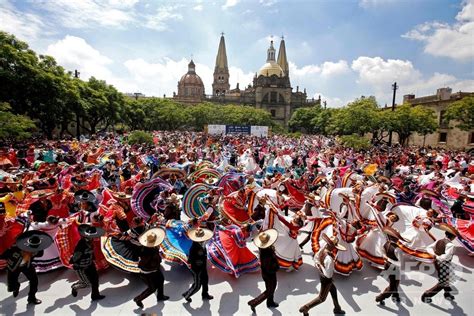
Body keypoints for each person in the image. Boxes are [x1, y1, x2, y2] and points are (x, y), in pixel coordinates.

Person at [299, 234, 346, 316]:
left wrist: (320, 267)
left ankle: (337, 307)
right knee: (321, 298)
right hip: (326, 278)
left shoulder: (322, 249)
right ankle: (306, 308)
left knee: (333, 289)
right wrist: (330, 278)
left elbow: (316, 259)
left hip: (321, 274)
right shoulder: (329, 259)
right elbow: (328, 275)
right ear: (332, 247)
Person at [1, 230, 53, 305]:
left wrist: (40, 248)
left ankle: (31, 298)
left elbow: (40, 255)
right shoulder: (15, 246)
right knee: (12, 286)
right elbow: (4, 254)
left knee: (34, 280)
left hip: (27, 265)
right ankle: (16, 286)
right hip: (14, 267)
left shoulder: (37, 249)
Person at [421, 223, 458, 303]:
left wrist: (434, 255)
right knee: (442, 282)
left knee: (445, 278)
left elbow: (428, 248)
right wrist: (437, 256)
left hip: (436, 262)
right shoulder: (451, 245)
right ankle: (426, 295)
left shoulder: (439, 240)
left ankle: (447, 293)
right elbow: (446, 257)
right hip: (443, 264)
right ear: (453, 237)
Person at [133, 227, 169, 308]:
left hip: (155, 269)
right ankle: (138, 299)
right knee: (152, 288)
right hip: (147, 272)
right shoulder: (147, 252)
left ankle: (160, 296)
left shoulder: (152, 248)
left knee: (161, 280)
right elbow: (146, 263)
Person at [70, 224, 106, 301]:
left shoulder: (91, 241)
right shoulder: (81, 244)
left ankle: (95, 295)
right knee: (86, 284)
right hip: (81, 266)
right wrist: (77, 265)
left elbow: (92, 252)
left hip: (90, 264)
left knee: (95, 280)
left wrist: (93, 259)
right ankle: (75, 287)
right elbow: (76, 256)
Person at [248, 229, 279, 312]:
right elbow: (269, 268)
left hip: (266, 273)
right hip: (269, 275)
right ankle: (254, 303)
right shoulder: (267, 254)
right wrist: (276, 267)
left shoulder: (263, 249)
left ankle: (270, 302)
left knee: (269, 288)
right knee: (270, 290)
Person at [375, 227, 406, 305]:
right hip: (394, 267)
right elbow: (400, 263)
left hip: (387, 265)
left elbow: (381, 252)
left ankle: (395, 295)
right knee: (394, 284)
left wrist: (386, 258)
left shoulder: (385, 243)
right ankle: (380, 298)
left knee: (393, 282)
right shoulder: (398, 249)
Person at [182, 226, 214, 302]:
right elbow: (192, 260)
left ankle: (205, 294)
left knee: (205, 280)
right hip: (196, 269)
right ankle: (187, 295)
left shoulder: (201, 243)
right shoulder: (195, 247)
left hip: (202, 266)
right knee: (197, 285)